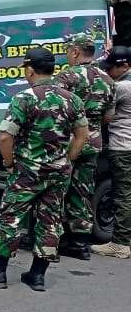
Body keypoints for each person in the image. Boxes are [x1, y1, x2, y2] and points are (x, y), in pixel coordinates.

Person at [0, 47, 88, 292]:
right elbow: (82, 136)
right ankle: (37, 276)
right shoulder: (72, 99)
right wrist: (67, 159)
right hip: (58, 173)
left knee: (12, 220)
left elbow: (5, 136)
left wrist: (8, 162)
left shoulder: (25, 98)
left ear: (29, 70)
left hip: (26, 172)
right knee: (50, 222)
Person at [54, 33, 115, 260]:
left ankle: (53, 239)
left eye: (68, 50)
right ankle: (80, 243)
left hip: (67, 143)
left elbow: (54, 111)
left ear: (75, 52)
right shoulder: (108, 80)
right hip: (93, 142)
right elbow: (109, 116)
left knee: (57, 190)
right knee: (83, 190)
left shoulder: (66, 77)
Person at [94, 47, 131, 258]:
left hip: (122, 146)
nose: (109, 73)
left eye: (112, 68)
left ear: (124, 66)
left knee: (122, 195)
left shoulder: (122, 87)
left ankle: (120, 244)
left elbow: (105, 116)